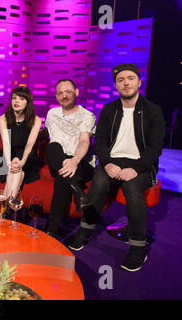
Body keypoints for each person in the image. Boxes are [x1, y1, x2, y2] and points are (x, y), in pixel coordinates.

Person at [69, 63, 165, 272]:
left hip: (142, 164)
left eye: (130, 78)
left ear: (139, 82)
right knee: (99, 182)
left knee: (131, 188)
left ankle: (138, 246)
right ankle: (86, 229)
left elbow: (156, 147)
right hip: (112, 160)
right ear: (116, 85)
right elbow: (100, 142)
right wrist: (108, 162)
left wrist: (137, 167)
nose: (126, 83)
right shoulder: (109, 109)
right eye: (121, 80)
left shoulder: (153, 110)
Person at [44, 79, 96, 238]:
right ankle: (78, 193)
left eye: (68, 92)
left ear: (77, 92)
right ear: (56, 96)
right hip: (58, 159)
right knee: (53, 147)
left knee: (62, 178)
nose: (64, 96)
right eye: (60, 93)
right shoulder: (52, 113)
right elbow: (43, 134)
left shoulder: (87, 116)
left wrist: (74, 161)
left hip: (81, 163)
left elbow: (84, 141)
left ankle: (50, 232)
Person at [0, 86, 41, 200]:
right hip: (9, 154)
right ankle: (10, 204)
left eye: (21, 99)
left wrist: (21, 161)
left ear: (28, 102)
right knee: (17, 172)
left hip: (27, 156)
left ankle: (6, 205)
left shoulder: (36, 120)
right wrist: (8, 164)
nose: (16, 101)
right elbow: (6, 143)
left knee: (18, 169)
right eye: (14, 98)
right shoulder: (3, 119)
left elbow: (29, 145)